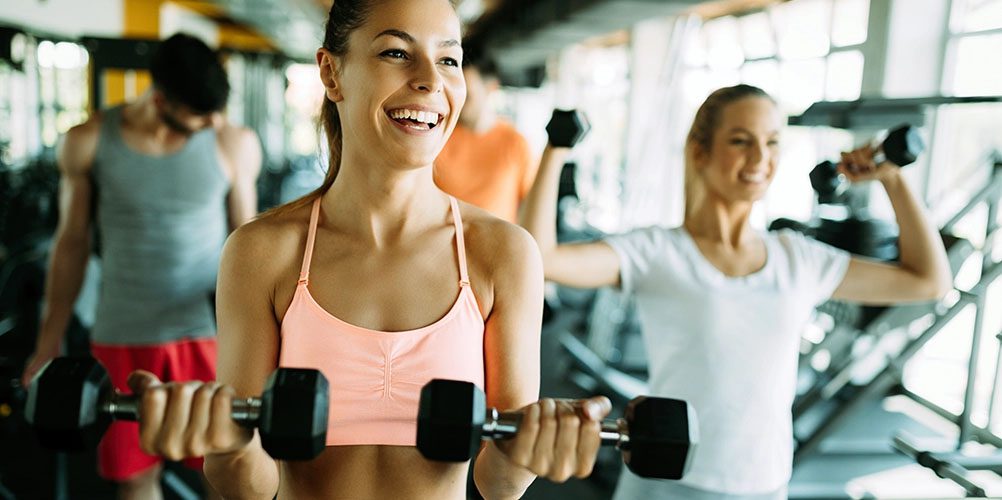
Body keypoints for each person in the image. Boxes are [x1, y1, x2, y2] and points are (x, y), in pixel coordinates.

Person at [120, 1, 611, 499]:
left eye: (448, 59)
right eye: (397, 52)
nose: (430, 80)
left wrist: (535, 446)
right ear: (332, 74)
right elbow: (249, 486)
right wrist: (227, 445)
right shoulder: (261, 252)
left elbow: (498, 483)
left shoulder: (503, 255)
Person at [520, 84, 952, 500]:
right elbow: (541, 257)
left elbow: (928, 281)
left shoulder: (798, 259)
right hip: (664, 480)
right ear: (701, 152)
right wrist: (555, 149)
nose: (760, 158)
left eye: (772, 142)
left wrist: (892, 180)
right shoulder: (656, 251)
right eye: (741, 141)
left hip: (763, 482)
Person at [21, 33, 262, 499]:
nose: (214, 122)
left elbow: (248, 246)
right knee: (134, 480)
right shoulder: (88, 141)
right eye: (200, 117)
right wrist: (48, 339)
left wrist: (267, 340)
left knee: (223, 470)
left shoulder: (232, 143)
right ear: (159, 100)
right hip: (121, 333)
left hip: (207, 332)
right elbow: (71, 243)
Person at [434, 50, 536, 223]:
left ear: (491, 88)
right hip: (444, 247)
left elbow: (529, 209)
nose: (457, 102)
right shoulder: (438, 136)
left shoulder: (516, 143)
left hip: (497, 247)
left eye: (467, 95)